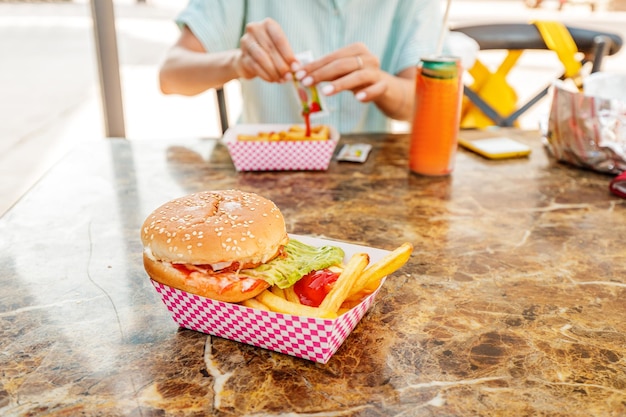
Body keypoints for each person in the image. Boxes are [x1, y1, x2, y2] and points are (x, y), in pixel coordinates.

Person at [159, 0, 463, 133]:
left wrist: (382, 85)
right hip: (259, 177)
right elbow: (171, 75)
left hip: (363, 175)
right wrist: (237, 61)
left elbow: (429, 107)